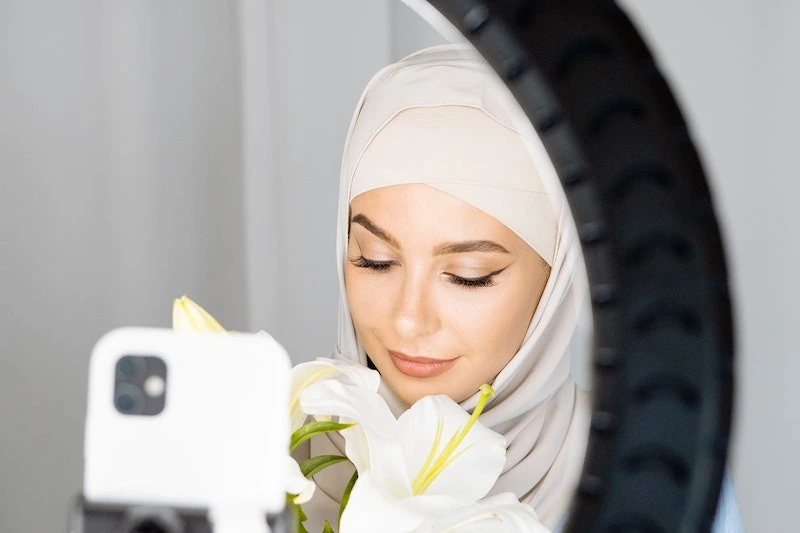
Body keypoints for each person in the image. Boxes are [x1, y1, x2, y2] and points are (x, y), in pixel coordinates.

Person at [297, 44, 741, 532]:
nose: (409, 318)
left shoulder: (652, 468)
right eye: (375, 261)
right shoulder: (271, 456)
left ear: (554, 285)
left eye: (469, 275)